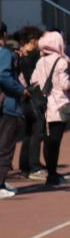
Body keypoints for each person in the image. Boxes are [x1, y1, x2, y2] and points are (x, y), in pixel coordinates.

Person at [30, 31, 70, 187]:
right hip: (59, 105)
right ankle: (52, 175)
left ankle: (51, 173)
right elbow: (65, 84)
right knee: (55, 142)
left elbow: (33, 80)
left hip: (44, 106)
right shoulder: (62, 61)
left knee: (48, 141)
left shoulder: (40, 61)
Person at [0, 22, 26, 199]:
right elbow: (3, 75)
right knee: (5, 146)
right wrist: (20, 89)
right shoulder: (4, 53)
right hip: (7, 105)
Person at [14, 26, 44, 179]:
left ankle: (25, 166)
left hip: (22, 98)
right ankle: (34, 167)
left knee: (27, 134)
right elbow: (33, 77)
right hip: (31, 97)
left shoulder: (17, 55)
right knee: (36, 132)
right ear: (33, 40)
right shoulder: (31, 57)